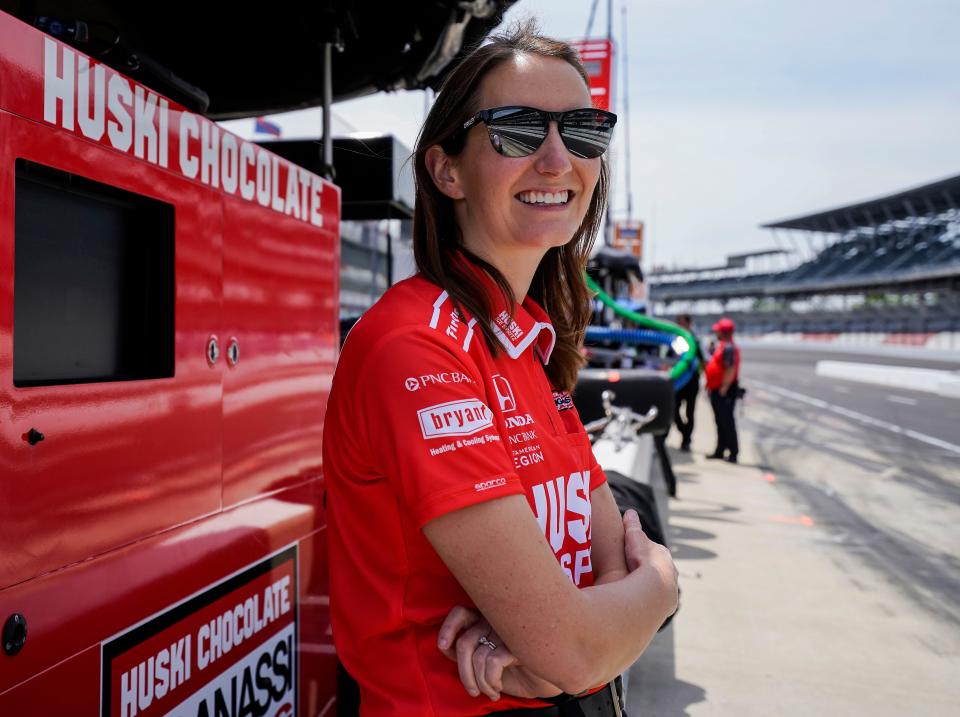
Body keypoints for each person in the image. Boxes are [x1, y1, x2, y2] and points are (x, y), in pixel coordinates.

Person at [322, 22, 679, 717]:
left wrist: (579, 639)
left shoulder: (526, 344)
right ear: (445, 169)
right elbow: (578, 643)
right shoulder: (415, 348)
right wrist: (658, 587)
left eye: (583, 131)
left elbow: (598, 577)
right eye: (518, 130)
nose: (555, 159)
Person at [704, 317, 741, 463]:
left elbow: (730, 368)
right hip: (717, 388)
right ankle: (720, 449)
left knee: (727, 421)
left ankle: (733, 452)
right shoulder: (722, 346)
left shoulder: (728, 347)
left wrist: (724, 387)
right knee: (720, 421)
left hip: (724, 390)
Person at [672, 314, 705, 452]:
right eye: (678, 323)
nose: (680, 325)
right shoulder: (674, 340)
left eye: (682, 323)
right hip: (678, 381)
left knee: (690, 412)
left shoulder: (695, 341)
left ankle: (686, 440)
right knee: (674, 410)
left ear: (689, 324)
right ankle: (684, 431)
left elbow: (703, 360)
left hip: (691, 382)